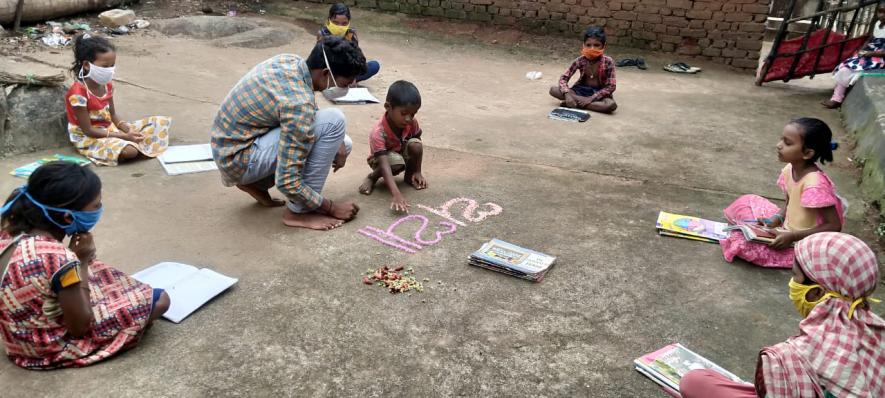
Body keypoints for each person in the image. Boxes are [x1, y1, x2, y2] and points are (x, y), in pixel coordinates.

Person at [0, 162, 170, 369]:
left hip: (16, 339)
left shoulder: (8, 230)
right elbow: (79, 327)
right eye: (96, 205)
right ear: (67, 216)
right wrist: (79, 261)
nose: (99, 209)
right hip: (49, 349)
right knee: (160, 299)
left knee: (94, 267)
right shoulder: (60, 258)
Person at [680, 232, 884, 398]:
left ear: (817, 292)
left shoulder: (790, 358)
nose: (792, 283)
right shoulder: (878, 333)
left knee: (694, 381)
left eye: (795, 275)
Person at [210, 37, 366, 230]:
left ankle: (257, 184)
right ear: (326, 73)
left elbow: (302, 108)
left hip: (232, 149)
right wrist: (330, 207)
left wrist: (339, 140)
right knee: (335, 121)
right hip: (239, 159)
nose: (350, 87)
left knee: (342, 141)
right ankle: (298, 213)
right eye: (346, 82)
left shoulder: (291, 61)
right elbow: (287, 181)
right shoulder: (299, 104)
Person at [720, 118, 844, 268]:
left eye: (787, 143)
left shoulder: (815, 185)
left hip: (803, 244)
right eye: (781, 139)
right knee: (748, 200)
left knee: (743, 245)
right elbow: (791, 202)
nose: (779, 145)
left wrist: (792, 236)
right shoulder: (790, 169)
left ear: (807, 153)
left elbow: (834, 225)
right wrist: (777, 218)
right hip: (786, 229)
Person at [65, 33, 172, 166]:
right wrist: (123, 136)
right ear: (87, 65)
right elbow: (89, 130)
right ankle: (125, 146)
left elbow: (113, 114)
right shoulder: (78, 94)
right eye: (105, 66)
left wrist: (127, 129)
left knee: (159, 122)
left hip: (110, 128)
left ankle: (127, 143)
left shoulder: (107, 85)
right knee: (130, 151)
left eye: (112, 65)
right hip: (90, 137)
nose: (110, 70)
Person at [358, 81, 427, 212]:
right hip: (381, 160)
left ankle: (409, 176)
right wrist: (396, 194)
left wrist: (417, 171)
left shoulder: (411, 123)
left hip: (400, 153)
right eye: (404, 113)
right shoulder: (378, 133)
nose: (408, 118)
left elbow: (417, 141)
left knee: (416, 146)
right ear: (388, 107)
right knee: (395, 163)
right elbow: (384, 164)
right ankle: (372, 177)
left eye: (413, 114)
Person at [823, 4, 885, 109]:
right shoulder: (878, 25)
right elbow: (870, 40)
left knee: (854, 71)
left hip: (881, 58)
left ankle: (837, 99)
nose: (882, 15)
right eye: (880, 12)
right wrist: (862, 50)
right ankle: (836, 98)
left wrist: (871, 54)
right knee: (845, 66)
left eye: (884, 12)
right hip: (870, 54)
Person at [548, 26, 617, 114]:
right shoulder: (580, 60)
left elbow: (611, 86)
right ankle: (584, 103)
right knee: (553, 90)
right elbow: (564, 78)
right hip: (580, 90)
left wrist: (591, 98)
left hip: (599, 92)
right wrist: (567, 94)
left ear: (603, 46)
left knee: (611, 105)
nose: (592, 48)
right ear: (583, 45)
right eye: (588, 45)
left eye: (596, 45)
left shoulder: (608, 61)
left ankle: (575, 103)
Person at [317, 3, 381, 83]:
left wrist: (352, 77)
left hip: (347, 71)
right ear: (329, 20)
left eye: (344, 23)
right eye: (336, 23)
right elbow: (320, 60)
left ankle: (345, 81)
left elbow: (358, 58)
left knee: (374, 66)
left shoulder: (351, 34)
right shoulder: (322, 34)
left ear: (349, 22)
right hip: (329, 72)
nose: (340, 26)